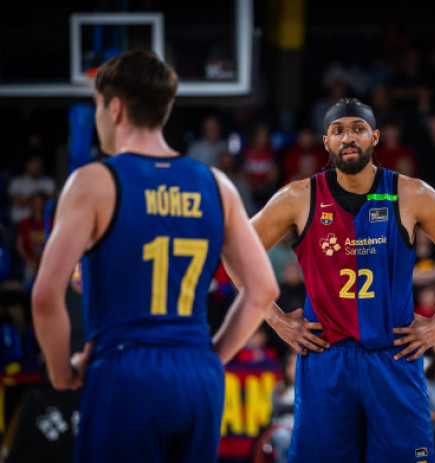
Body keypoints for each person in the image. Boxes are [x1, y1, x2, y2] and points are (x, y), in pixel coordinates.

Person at [31, 50, 279, 463]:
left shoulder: (95, 182)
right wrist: (210, 355)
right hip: (197, 374)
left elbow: (44, 295)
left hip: (126, 370)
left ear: (114, 108)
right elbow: (262, 290)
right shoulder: (217, 185)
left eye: (96, 107)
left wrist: (62, 371)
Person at [247, 97, 435, 462]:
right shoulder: (298, 197)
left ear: (374, 137)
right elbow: (238, 252)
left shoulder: (410, 193)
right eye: (338, 131)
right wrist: (276, 320)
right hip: (327, 360)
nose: (348, 138)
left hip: (393, 356)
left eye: (357, 129)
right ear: (326, 142)